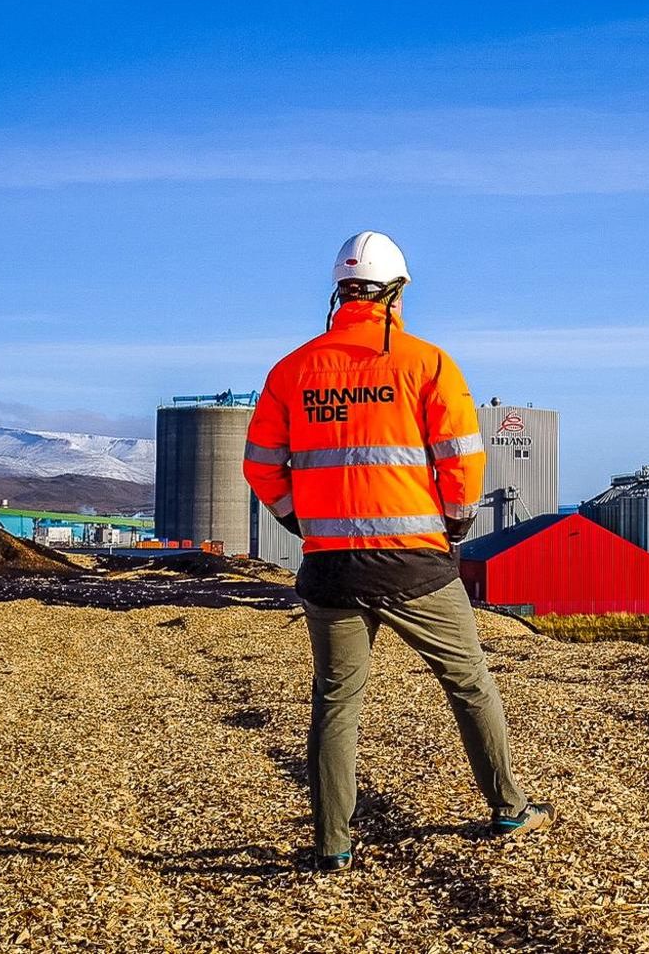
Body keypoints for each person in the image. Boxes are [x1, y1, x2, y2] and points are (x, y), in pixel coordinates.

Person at [242, 230, 553, 872]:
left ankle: (331, 843)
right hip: (415, 563)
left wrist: (301, 522)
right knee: (468, 682)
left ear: (340, 292)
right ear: (398, 292)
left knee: (335, 703)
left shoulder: (292, 369)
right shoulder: (426, 363)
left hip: (330, 566)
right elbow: (462, 460)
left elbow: (260, 464)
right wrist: (457, 526)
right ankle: (507, 806)